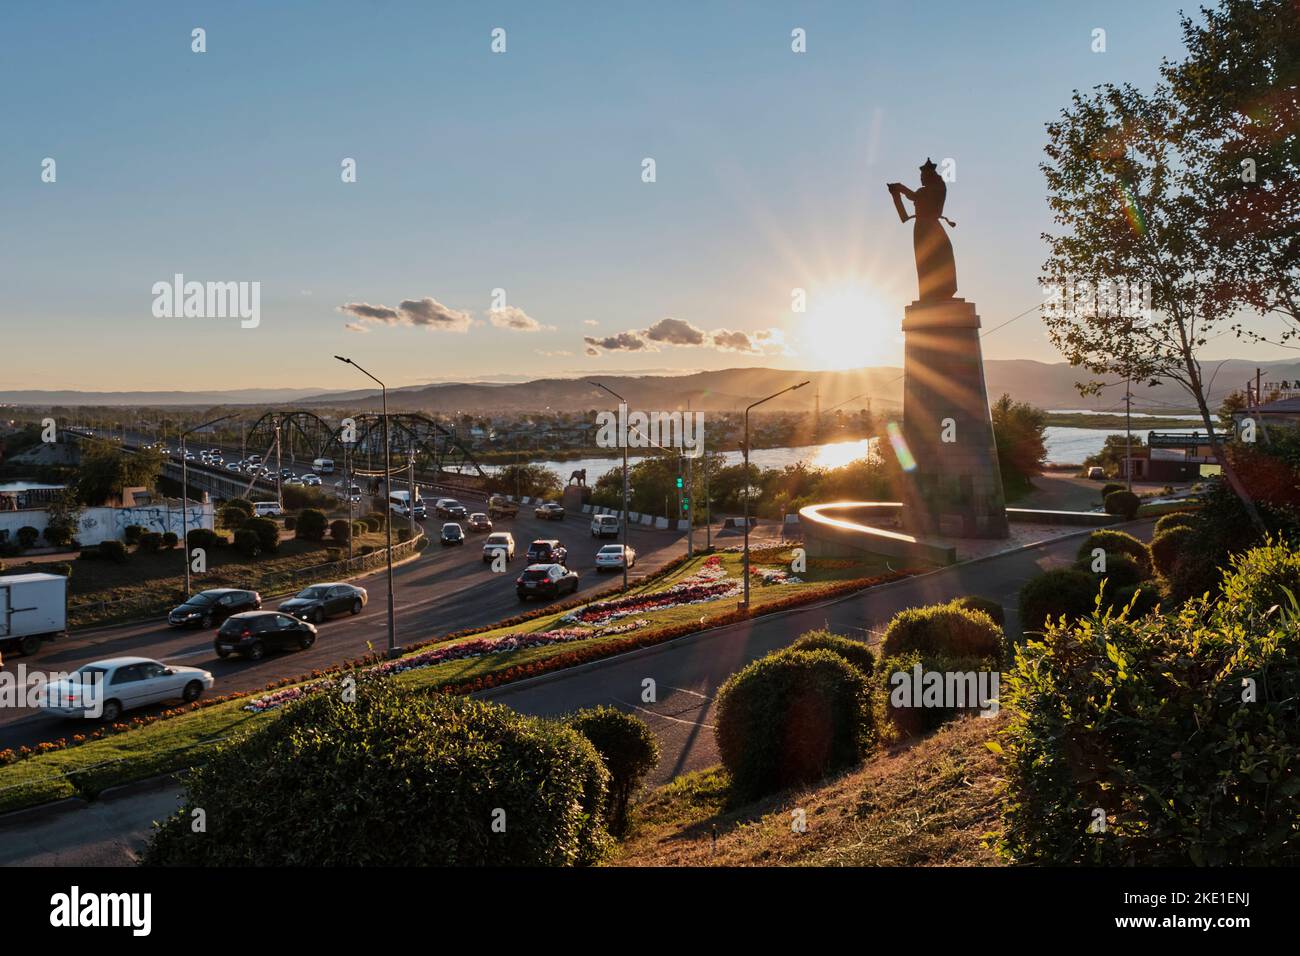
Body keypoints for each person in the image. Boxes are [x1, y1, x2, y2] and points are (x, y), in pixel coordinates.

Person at [888, 159, 958, 302]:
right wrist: (897, 192)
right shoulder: (929, 189)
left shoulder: (936, 188)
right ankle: (931, 291)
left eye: (923, 177)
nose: (921, 179)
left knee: (941, 257)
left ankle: (942, 290)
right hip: (924, 227)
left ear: (930, 176)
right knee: (927, 260)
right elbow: (910, 203)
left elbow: (914, 196)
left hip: (930, 227)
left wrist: (900, 188)